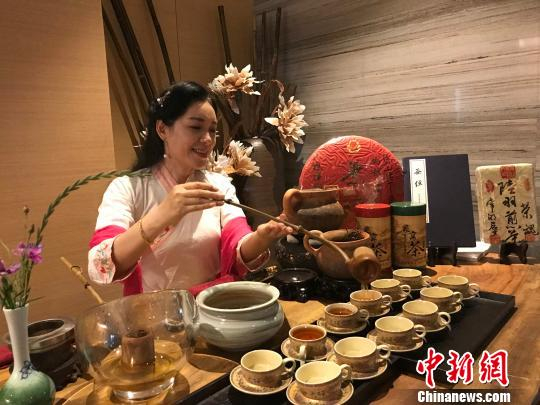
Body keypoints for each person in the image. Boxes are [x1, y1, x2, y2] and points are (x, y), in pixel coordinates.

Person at [88, 81, 292, 296]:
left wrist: (262, 238)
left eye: (212, 130)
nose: (208, 140)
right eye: (195, 127)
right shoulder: (127, 188)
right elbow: (100, 264)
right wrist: (164, 213)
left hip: (213, 306)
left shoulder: (218, 185)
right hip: (154, 312)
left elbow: (237, 243)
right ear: (162, 129)